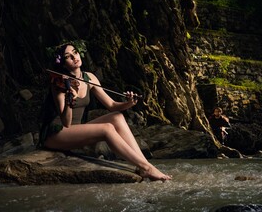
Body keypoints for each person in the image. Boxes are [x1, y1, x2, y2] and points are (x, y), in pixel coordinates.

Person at [38, 42, 172, 181]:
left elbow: (112, 105)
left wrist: (128, 103)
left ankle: (143, 165)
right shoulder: (59, 84)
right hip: (56, 133)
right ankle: (147, 168)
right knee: (107, 129)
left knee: (117, 117)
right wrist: (69, 101)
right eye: (68, 56)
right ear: (63, 64)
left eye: (75, 52)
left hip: (75, 129)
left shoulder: (89, 77)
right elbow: (66, 122)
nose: (74, 57)